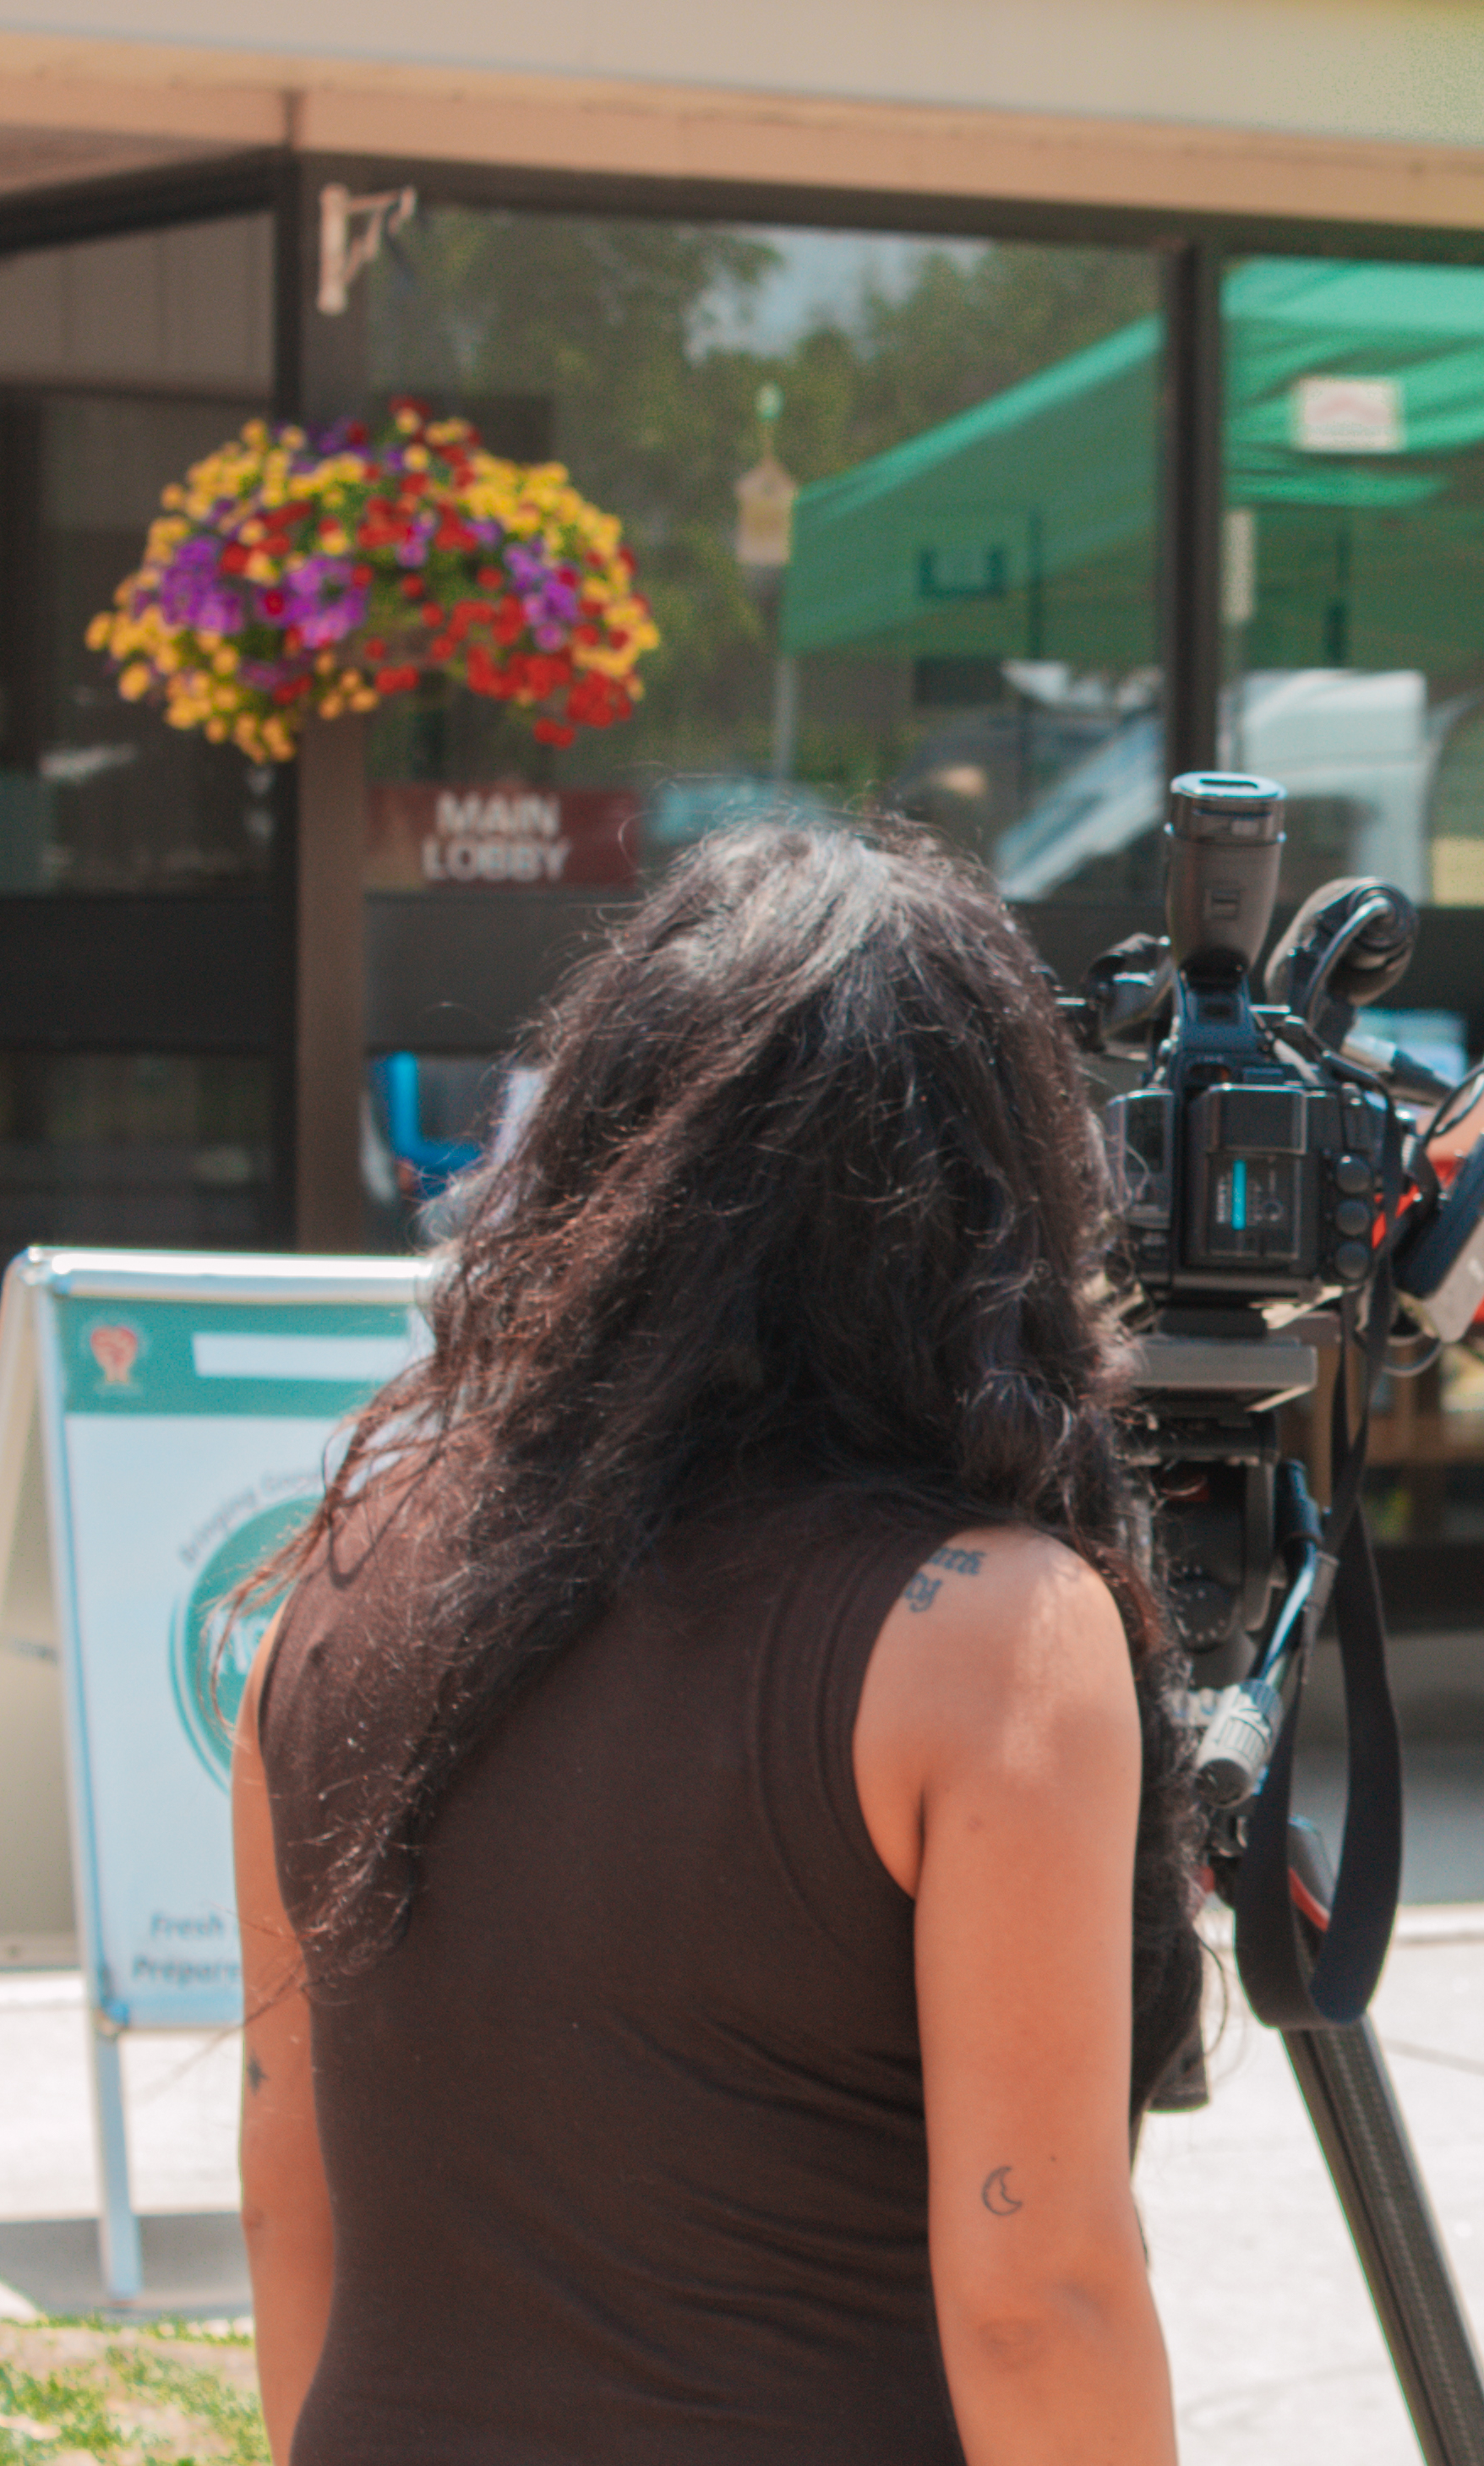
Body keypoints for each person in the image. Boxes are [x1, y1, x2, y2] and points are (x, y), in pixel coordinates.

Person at [234, 818, 1195, 2463]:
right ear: (1002, 1192)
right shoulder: (990, 1636)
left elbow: (288, 2199)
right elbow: (1041, 2297)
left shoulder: (332, 1573)